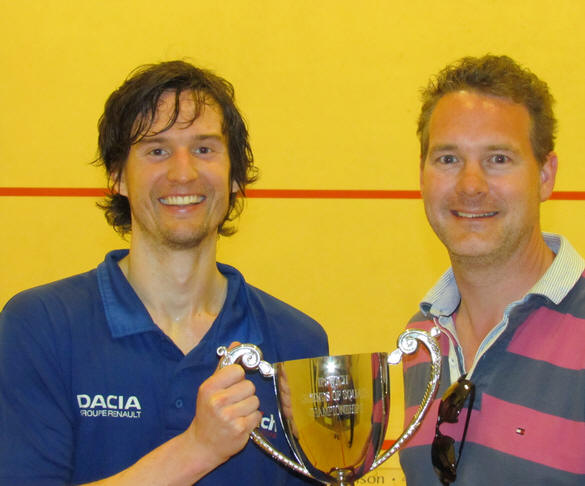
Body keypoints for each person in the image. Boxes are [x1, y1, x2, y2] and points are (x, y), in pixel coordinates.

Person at [0, 60, 328, 485]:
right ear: (117, 176)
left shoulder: (298, 342)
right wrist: (197, 449)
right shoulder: (39, 326)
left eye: (204, 149)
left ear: (235, 175)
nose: (183, 173)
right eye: (157, 150)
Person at [399, 54, 585, 485]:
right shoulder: (421, 341)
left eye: (498, 159)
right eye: (448, 159)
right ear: (422, 175)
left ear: (545, 175)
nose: (471, 185)